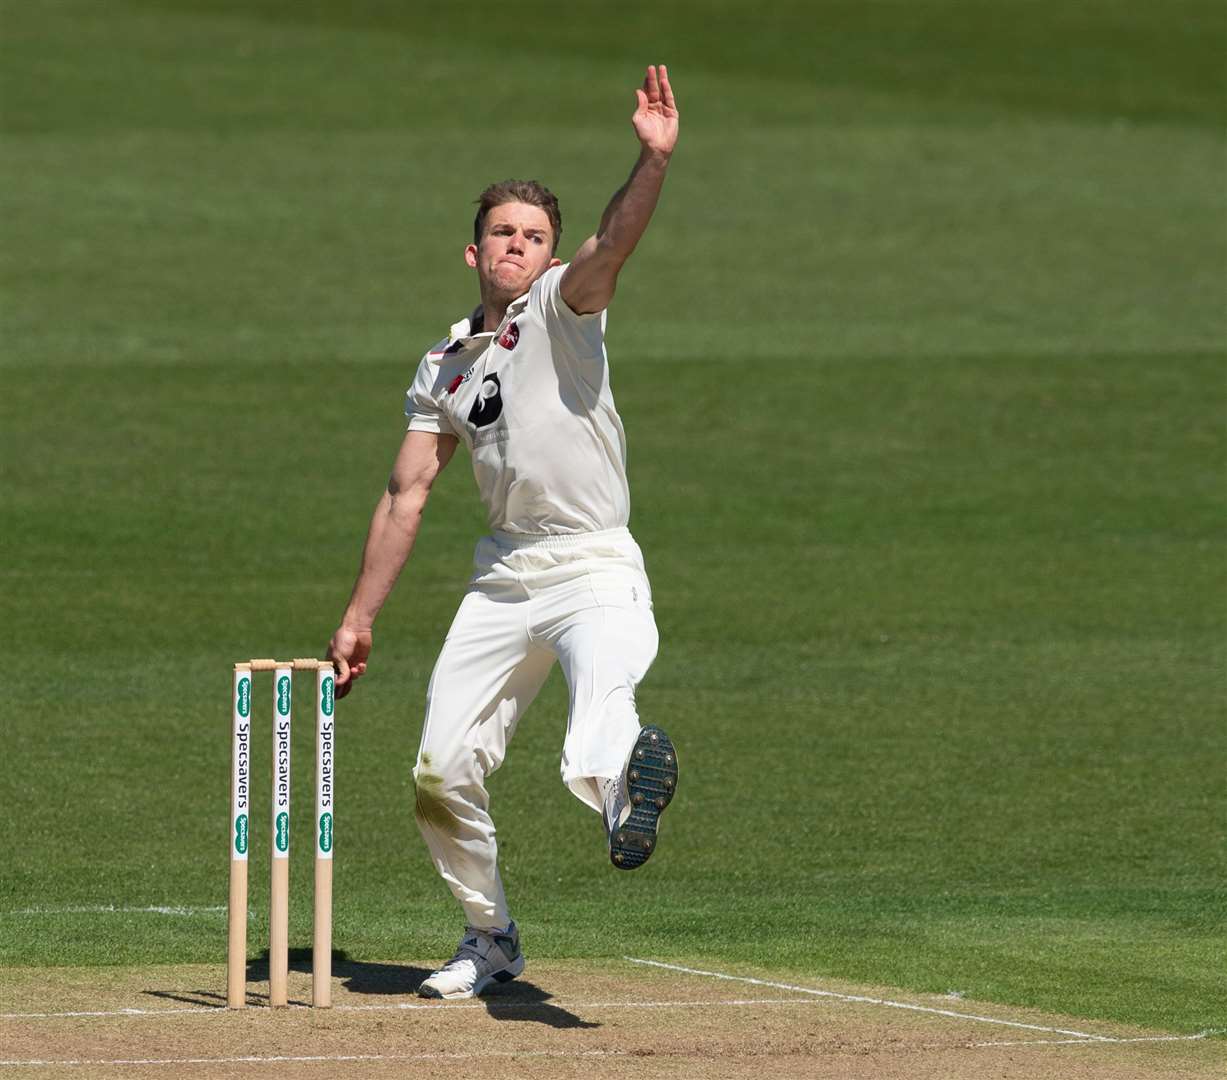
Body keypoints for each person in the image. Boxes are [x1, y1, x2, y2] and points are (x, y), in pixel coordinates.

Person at [326, 65, 680, 1001]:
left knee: (601, 720)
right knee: (439, 772)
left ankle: (621, 801)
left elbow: (612, 244)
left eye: (534, 238)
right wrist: (359, 618)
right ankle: (490, 937)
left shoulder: (564, 309)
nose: (519, 248)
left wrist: (649, 162)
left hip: (595, 562)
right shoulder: (444, 362)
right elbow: (406, 493)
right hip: (503, 578)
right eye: (503, 235)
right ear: (473, 252)